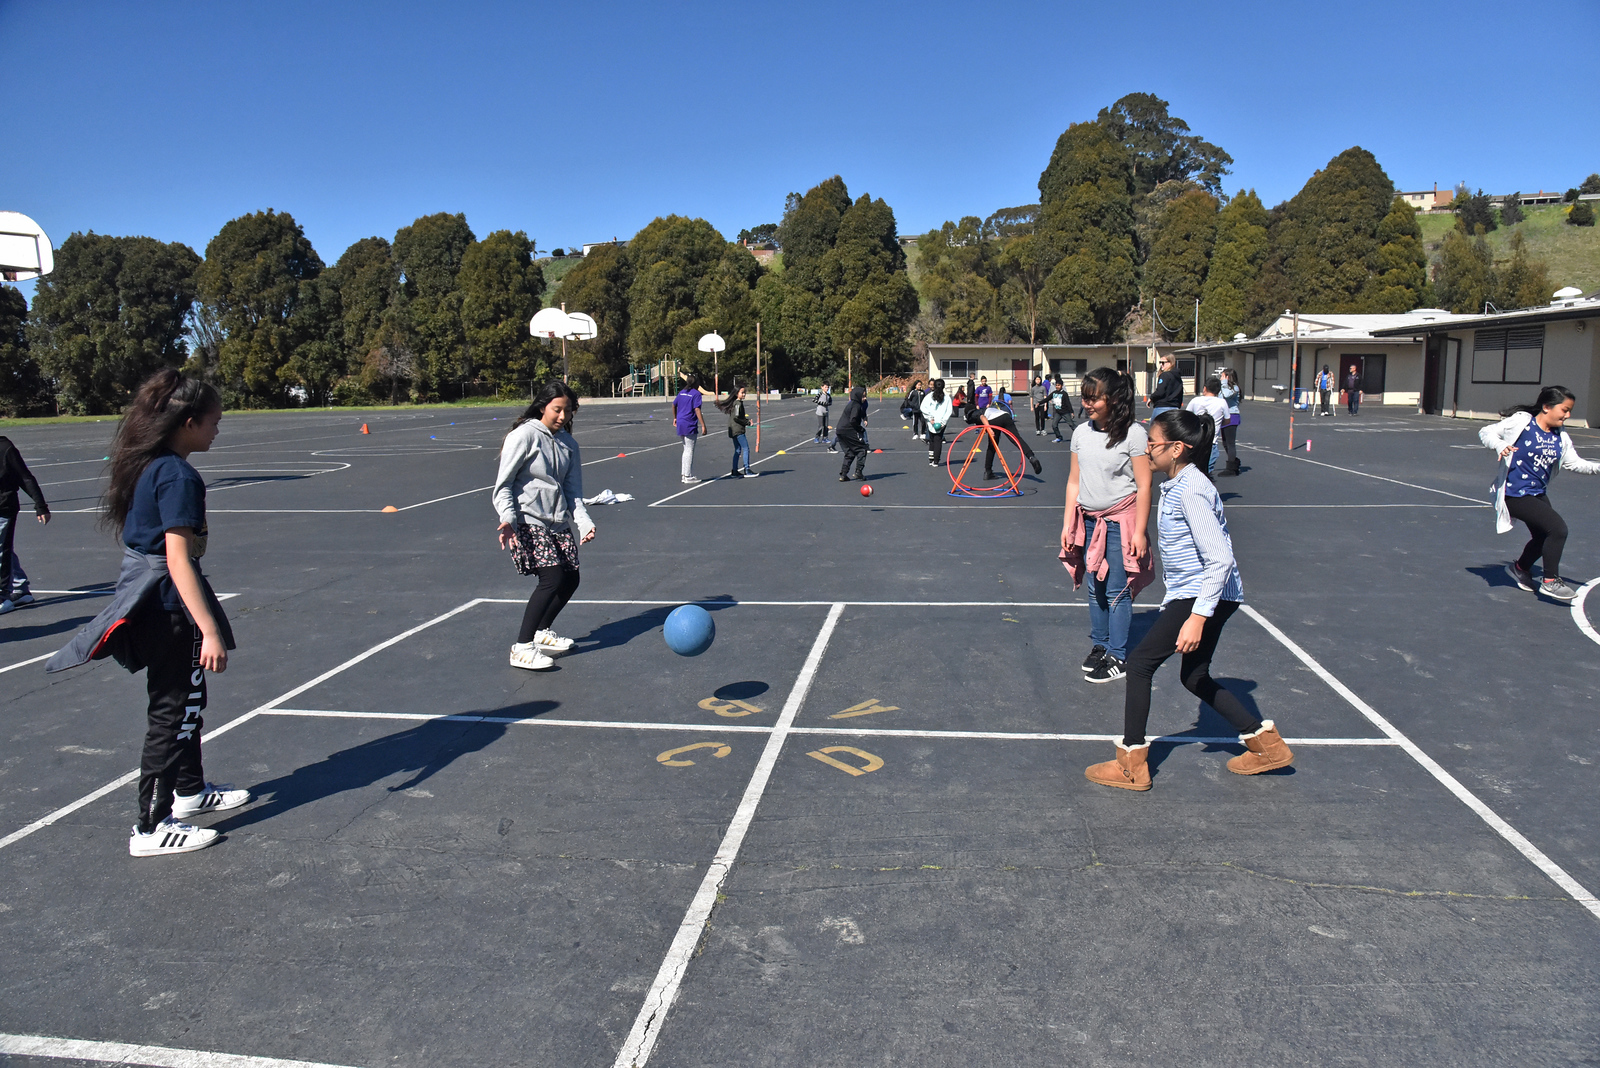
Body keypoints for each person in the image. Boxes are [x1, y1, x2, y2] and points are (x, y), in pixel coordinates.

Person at [47, 370, 246, 856]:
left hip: (158, 599)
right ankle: (150, 828)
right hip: (168, 607)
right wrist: (209, 630)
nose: (218, 429)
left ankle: (189, 794)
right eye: (214, 422)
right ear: (189, 422)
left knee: (187, 705)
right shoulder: (178, 475)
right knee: (173, 712)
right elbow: (179, 561)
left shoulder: (151, 465)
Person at [1085, 409, 1293, 790]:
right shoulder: (1180, 484)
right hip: (1209, 593)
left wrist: (1197, 615)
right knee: (1194, 675)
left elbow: (1220, 558)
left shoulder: (1191, 489)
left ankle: (1132, 762)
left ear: (1177, 448)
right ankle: (1267, 747)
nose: (1147, 449)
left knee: (1142, 663)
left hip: (1202, 593)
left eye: (1153, 443)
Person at [494, 381, 596, 670]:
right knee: (551, 578)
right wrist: (508, 518)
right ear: (542, 406)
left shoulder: (569, 444)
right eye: (557, 410)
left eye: (568, 411)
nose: (563, 417)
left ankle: (541, 633)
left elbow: (573, 490)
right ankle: (522, 647)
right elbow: (504, 485)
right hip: (527, 518)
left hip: (558, 521)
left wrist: (584, 521)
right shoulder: (524, 436)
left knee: (571, 578)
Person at [1061, 368, 1154, 684]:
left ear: (1113, 399)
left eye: (1093, 398)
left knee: (1117, 590)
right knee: (1094, 586)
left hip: (1120, 522)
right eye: (1084, 397)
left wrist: (1139, 532)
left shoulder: (1134, 435)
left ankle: (1118, 653)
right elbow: (1074, 481)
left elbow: (1144, 485)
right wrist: (1067, 526)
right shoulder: (1081, 434)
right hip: (1088, 522)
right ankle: (1100, 645)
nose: (1087, 403)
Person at [1480, 385, 1600, 602]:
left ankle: (1520, 568)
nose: (1568, 415)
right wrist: (1499, 445)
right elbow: (1486, 431)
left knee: (1543, 536)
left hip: (1536, 493)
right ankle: (1550, 581)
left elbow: (1574, 463)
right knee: (1558, 529)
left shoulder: (1560, 436)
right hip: (1514, 493)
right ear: (1546, 407)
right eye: (1564, 410)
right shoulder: (1522, 422)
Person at [0, 435, 50, 614]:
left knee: (1, 550)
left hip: (4, 507)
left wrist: (41, 506)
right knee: (4, 549)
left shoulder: (6, 448)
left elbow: (25, 478)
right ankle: (20, 589)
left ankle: (3, 597)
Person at [981, 388, 1042, 479]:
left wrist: (988, 429)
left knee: (992, 446)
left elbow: (983, 418)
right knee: (1016, 439)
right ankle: (1031, 457)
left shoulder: (981, 411)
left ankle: (988, 471)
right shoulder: (1004, 399)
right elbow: (1010, 406)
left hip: (993, 420)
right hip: (1005, 415)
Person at [1185, 377, 1231, 478]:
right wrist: (1219, 423)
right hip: (1211, 441)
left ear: (1205, 388)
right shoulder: (1222, 402)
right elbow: (1228, 420)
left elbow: (1186, 415)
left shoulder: (1196, 400)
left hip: (1196, 440)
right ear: (1218, 391)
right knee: (1206, 472)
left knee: (1193, 468)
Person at [715, 384, 754, 478]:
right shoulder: (738, 404)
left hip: (733, 429)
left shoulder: (736, 403)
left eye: (744, 392)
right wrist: (747, 422)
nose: (744, 394)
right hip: (737, 430)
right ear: (737, 394)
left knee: (737, 450)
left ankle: (735, 471)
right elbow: (737, 417)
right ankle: (747, 469)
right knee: (745, 448)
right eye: (742, 392)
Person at [674, 373, 706, 484]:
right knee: (689, 449)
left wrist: (675, 418)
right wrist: (703, 425)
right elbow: (697, 409)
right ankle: (687, 475)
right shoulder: (696, 394)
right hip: (689, 423)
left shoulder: (682, 392)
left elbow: (674, 404)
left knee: (685, 448)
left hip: (681, 423)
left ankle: (684, 474)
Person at [836, 385, 870, 481]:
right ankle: (858, 472)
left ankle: (843, 474)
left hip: (840, 430)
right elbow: (853, 419)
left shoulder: (852, 404)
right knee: (862, 449)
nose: (865, 398)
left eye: (865, 396)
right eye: (863, 396)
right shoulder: (856, 405)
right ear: (858, 396)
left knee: (850, 452)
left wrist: (865, 418)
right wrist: (860, 429)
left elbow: (861, 414)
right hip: (848, 430)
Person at [1215, 368, 1242, 477]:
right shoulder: (1222, 387)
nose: (1220, 379)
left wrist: (1224, 383)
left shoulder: (1234, 388)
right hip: (1224, 416)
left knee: (1230, 443)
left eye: (1222, 376)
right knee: (1225, 443)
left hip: (1232, 415)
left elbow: (1226, 395)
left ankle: (1231, 469)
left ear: (1227, 377)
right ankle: (1234, 461)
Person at [921, 378, 953, 466]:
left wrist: (930, 418)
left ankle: (931, 459)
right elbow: (949, 411)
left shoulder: (929, 396)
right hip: (941, 422)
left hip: (931, 422)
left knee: (931, 440)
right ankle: (936, 461)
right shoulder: (947, 398)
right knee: (938, 440)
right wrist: (943, 422)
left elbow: (923, 407)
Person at [1147, 354, 1182, 419]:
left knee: (1155, 428)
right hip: (1175, 408)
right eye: (1160, 362)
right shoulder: (1178, 376)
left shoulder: (1165, 375)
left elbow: (1160, 391)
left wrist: (1151, 398)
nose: (1161, 365)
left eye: (1163, 363)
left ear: (1170, 363)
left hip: (1162, 407)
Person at [1048, 374, 1076, 442]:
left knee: (1071, 424)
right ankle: (1059, 437)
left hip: (1065, 412)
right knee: (1054, 425)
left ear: (1061, 386)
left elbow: (1068, 403)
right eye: (1056, 385)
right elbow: (1049, 396)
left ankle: (1079, 435)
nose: (1057, 386)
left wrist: (1071, 412)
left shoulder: (1064, 393)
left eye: (1059, 385)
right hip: (1057, 411)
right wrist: (1040, 403)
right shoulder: (1053, 389)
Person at [814, 383, 835, 451]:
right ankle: (817, 437)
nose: (827, 388)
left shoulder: (828, 395)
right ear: (822, 387)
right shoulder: (819, 394)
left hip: (826, 412)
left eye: (827, 387)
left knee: (826, 426)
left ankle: (825, 438)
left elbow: (830, 402)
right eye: (825, 387)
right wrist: (822, 403)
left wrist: (828, 404)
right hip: (820, 412)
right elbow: (814, 400)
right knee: (821, 426)